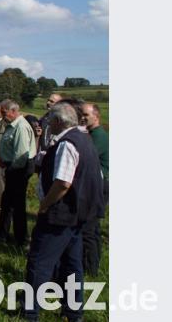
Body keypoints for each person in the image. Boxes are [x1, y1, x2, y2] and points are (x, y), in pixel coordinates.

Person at [22, 102, 104, 321]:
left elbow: (63, 183)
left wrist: (45, 205)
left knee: (39, 262)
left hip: (60, 215)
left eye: (51, 120)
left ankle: (29, 312)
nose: (48, 124)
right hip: (78, 216)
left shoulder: (67, 143)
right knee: (71, 265)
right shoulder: (84, 139)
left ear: (58, 122)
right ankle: (73, 312)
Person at [0, 99, 37, 247]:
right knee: (8, 203)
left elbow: (20, 156)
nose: (2, 115)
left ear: (13, 111)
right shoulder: (11, 125)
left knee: (16, 204)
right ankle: (2, 235)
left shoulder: (20, 127)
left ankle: (21, 239)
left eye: (4, 112)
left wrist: (10, 170)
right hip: (12, 167)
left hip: (19, 169)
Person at [81, 102, 109, 275]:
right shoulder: (91, 134)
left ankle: (90, 268)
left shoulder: (98, 136)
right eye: (81, 115)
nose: (83, 118)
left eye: (86, 115)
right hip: (97, 184)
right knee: (93, 228)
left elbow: (86, 156)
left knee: (88, 228)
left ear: (96, 116)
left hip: (100, 185)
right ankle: (93, 264)